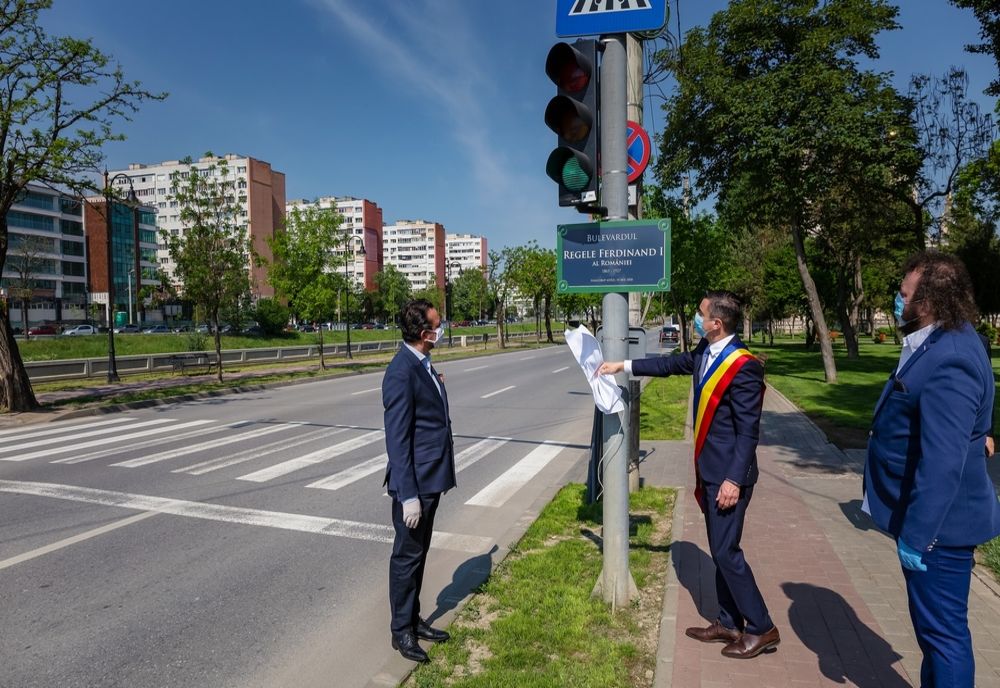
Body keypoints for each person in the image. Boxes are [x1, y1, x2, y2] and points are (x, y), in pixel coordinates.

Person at [597, 291, 780, 659]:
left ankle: (761, 627)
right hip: (709, 469)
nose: (696, 320)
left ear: (717, 323)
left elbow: (748, 433)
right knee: (719, 549)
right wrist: (624, 366)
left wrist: (734, 479)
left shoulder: (744, 366)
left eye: (701, 315)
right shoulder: (705, 352)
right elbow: (670, 365)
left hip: (729, 477)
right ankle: (728, 622)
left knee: (727, 552)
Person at [865, 251, 1000, 687]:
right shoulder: (942, 340)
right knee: (935, 637)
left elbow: (944, 462)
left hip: (939, 530)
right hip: (937, 525)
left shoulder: (951, 357)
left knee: (944, 638)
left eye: (903, 294)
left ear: (928, 301)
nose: (897, 300)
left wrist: (918, 535)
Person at [382, 299, 456, 663]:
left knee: (419, 553)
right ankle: (401, 633)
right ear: (425, 334)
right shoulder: (400, 372)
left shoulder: (422, 363)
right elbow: (397, 440)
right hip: (415, 483)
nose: (442, 329)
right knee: (406, 557)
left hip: (430, 477)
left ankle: (413, 618)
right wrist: (407, 495)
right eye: (438, 326)